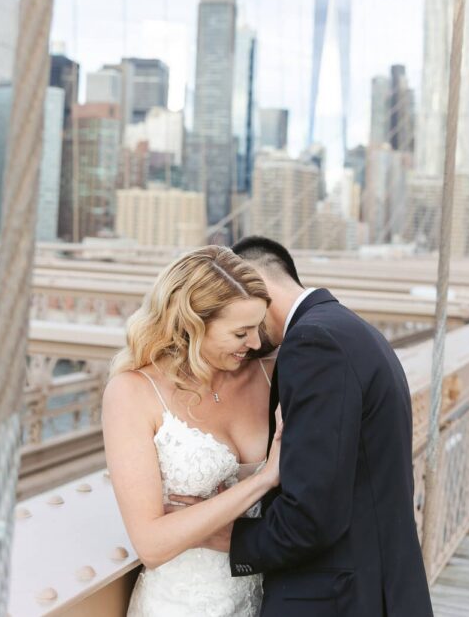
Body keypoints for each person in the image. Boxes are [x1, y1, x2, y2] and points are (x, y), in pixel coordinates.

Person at [227, 235, 434, 617]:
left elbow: (311, 517)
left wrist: (221, 538)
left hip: (336, 597)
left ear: (252, 286)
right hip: (375, 585)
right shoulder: (351, 329)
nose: (246, 340)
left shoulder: (313, 343)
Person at [102, 245, 281, 617]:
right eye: (240, 333)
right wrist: (261, 481)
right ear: (192, 325)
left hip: (266, 599)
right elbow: (151, 544)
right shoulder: (132, 393)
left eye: (258, 327)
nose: (254, 343)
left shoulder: (269, 374)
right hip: (179, 605)